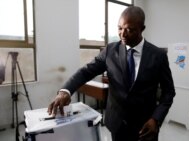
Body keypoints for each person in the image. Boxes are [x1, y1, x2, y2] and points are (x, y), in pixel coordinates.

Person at [48, 6, 175, 141]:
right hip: (117, 125)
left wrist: (156, 119)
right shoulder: (110, 50)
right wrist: (65, 90)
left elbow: (168, 91)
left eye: (129, 30)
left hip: (146, 126)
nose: (123, 34)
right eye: (120, 28)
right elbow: (86, 72)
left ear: (142, 29)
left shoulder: (158, 55)